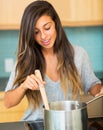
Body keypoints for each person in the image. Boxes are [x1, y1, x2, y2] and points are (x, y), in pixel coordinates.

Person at [4, 0, 103, 129]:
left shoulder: (78, 54)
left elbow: (92, 85)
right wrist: (23, 86)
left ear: (56, 23)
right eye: (36, 32)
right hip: (36, 125)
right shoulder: (26, 60)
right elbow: (8, 102)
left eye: (47, 28)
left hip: (70, 124)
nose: (43, 36)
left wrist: (99, 91)